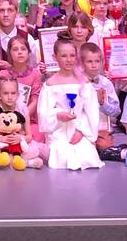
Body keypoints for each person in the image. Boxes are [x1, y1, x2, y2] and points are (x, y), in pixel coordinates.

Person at [37, 38, 102, 170]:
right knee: (62, 157)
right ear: (55, 57)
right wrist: (58, 115)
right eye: (64, 56)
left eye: (72, 55)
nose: (68, 60)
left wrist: (82, 131)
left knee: (86, 158)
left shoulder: (84, 82)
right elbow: (44, 112)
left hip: (80, 128)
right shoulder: (50, 84)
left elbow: (91, 111)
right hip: (58, 129)